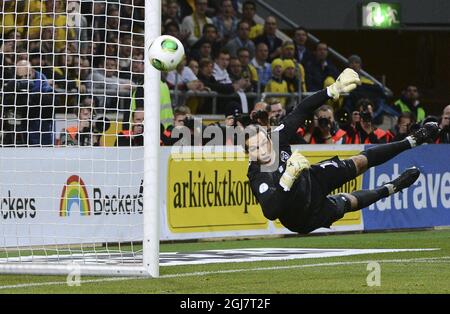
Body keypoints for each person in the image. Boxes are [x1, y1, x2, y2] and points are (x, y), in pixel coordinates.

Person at [246, 68, 440, 234]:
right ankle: (391, 188)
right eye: (254, 148)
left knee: (358, 162)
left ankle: (412, 140)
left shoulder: (278, 137)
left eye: (262, 143)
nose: (261, 150)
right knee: (348, 202)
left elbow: (301, 110)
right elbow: (271, 211)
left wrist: (332, 90)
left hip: (312, 180)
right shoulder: (257, 173)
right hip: (302, 217)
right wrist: (288, 177)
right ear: (250, 154)